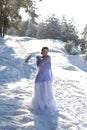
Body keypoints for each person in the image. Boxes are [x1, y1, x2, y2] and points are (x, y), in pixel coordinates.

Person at [31, 47, 57, 112]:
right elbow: (38, 65)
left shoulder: (48, 57)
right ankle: (39, 104)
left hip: (46, 77)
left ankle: (46, 104)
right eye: (44, 51)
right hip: (40, 76)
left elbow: (41, 63)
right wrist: (38, 58)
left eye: (47, 51)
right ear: (42, 52)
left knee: (46, 91)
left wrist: (38, 58)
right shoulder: (39, 58)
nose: (46, 52)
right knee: (40, 90)